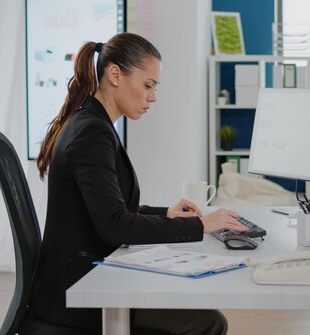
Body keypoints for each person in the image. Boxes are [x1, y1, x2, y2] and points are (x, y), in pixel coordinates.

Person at [30, 32, 247, 334]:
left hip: (84, 279)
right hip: (78, 295)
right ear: (115, 75)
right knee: (209, 322)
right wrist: (202, 225)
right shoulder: (93, 133)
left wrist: (165, 214)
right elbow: (115, 224)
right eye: (148, 85)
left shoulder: (93, 124)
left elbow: (110, 209)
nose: (153, 97)